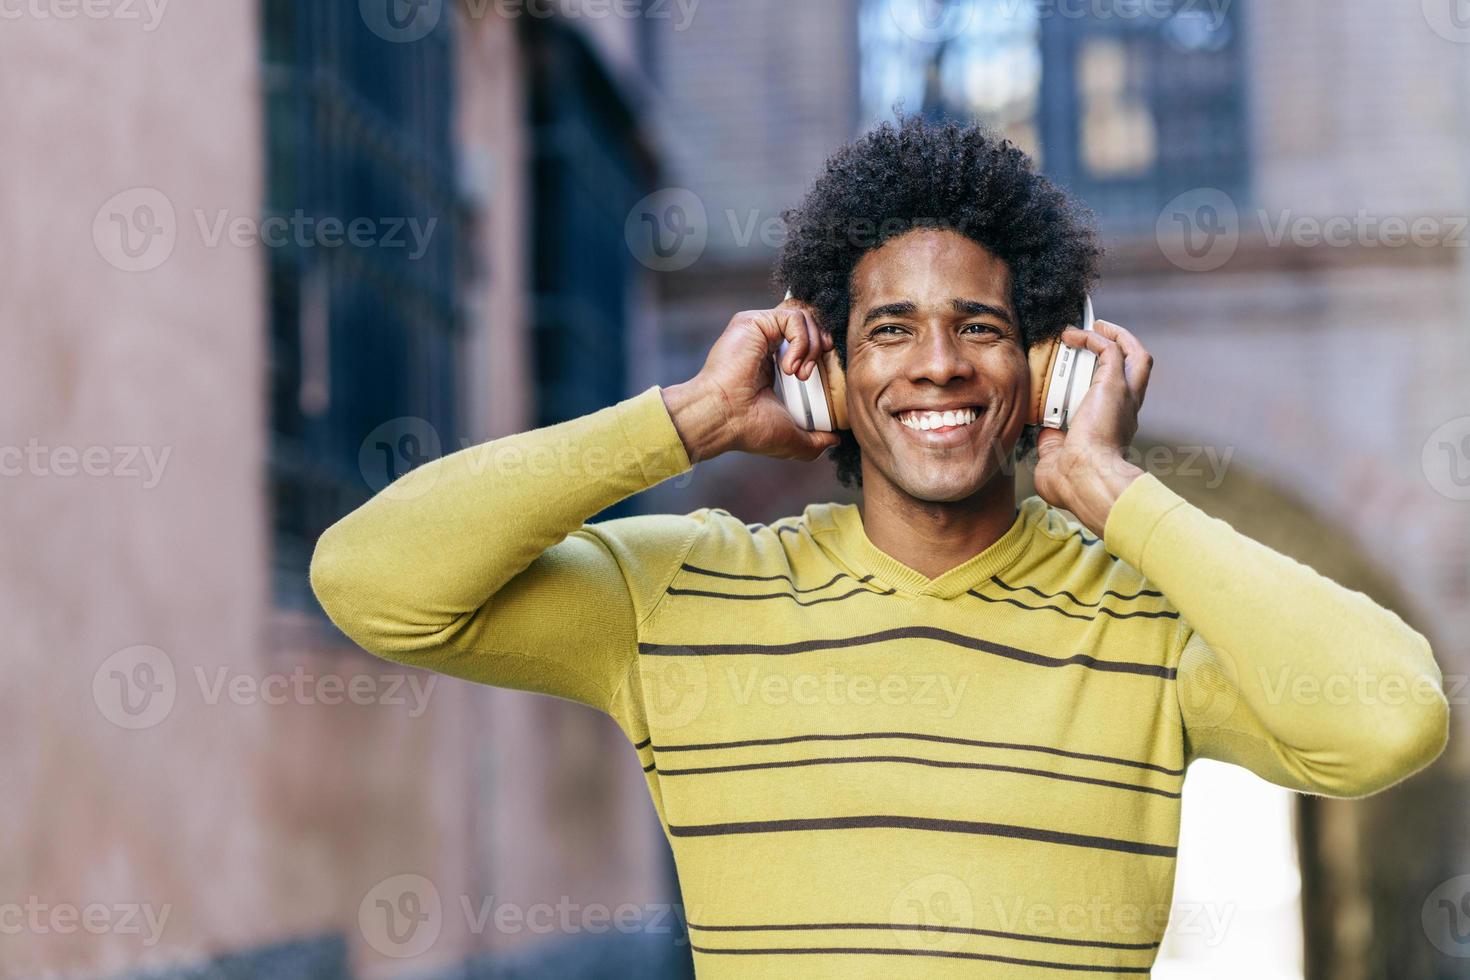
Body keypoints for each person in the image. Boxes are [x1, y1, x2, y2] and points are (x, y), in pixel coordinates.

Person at [310, 115, 1448, 977]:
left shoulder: (1146, 622)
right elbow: (371, 582)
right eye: (890, 328)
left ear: (1048, 366)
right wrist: (689, 418)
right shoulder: (680, 594)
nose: (937, 363)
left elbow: (1388, 714)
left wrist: (1110, 483)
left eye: (982, 328)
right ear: (827, 373)